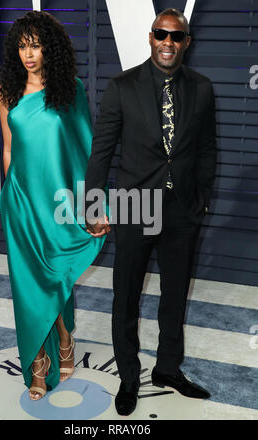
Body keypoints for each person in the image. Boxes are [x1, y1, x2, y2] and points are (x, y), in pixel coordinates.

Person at [85, 8, 217, 415]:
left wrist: (202, 199)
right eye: (161, 34)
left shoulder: (202, 87)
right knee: (126, 296)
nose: (168, 42)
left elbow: (208, 148)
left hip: (181, 211)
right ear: (150, 37)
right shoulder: (122, 86)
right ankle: (128, 377)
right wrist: (94, 206)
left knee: (174, 296)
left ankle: (167, 369)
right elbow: (102, 152)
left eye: (176, 37)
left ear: (186, 43)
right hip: (133, 205)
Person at [0, 11, 106, 401]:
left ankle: (63, 337)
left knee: (55, 276)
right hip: (22, 204)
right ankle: (38, 365)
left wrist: (95, 205)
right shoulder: (7, 93)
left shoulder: (70, 90)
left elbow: (87, 150)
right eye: (22, 45)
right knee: (28, 285)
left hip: (58, 205)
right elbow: (9, 148)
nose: (29, 54)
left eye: (36, 44)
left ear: (50, 48)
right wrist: (9, 194)